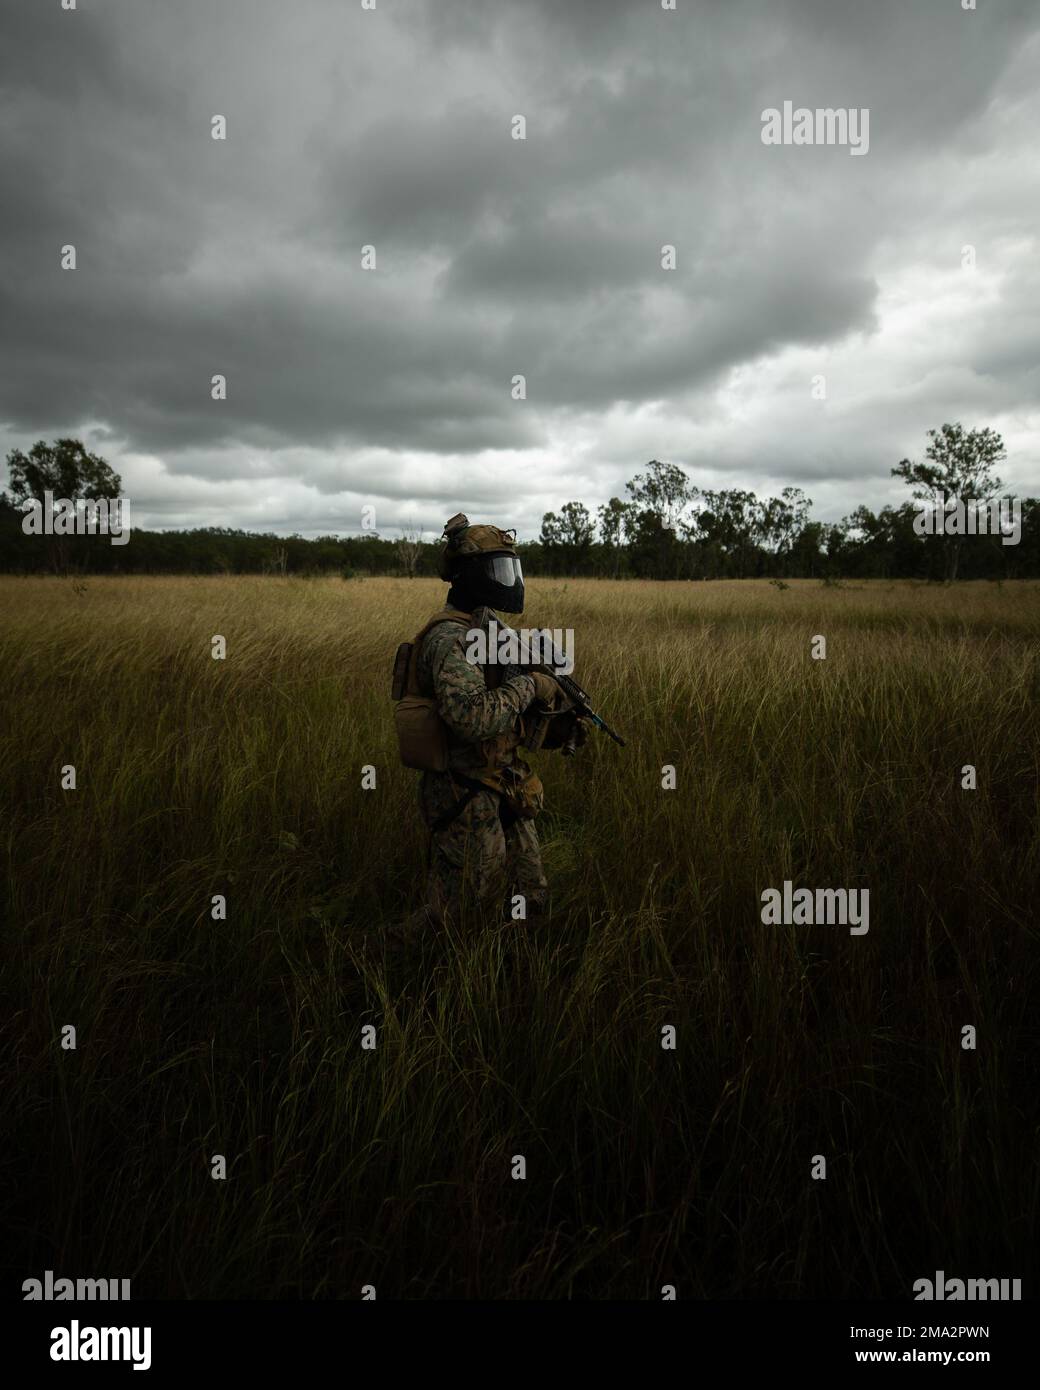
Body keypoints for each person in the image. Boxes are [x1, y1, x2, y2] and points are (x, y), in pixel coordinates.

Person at [402, 512, 585, 933]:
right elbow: (470, 718)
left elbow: (510, 692)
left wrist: (557, 714)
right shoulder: (450, 638)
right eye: (496, 569)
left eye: (509, 569)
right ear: (467, 575)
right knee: (454, 914)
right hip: (462, 788)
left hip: (501, 778)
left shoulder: (486, 628)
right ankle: (374, 965)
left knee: (530, 895)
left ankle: (516, 968)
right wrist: (533, 688)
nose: (506, 579)